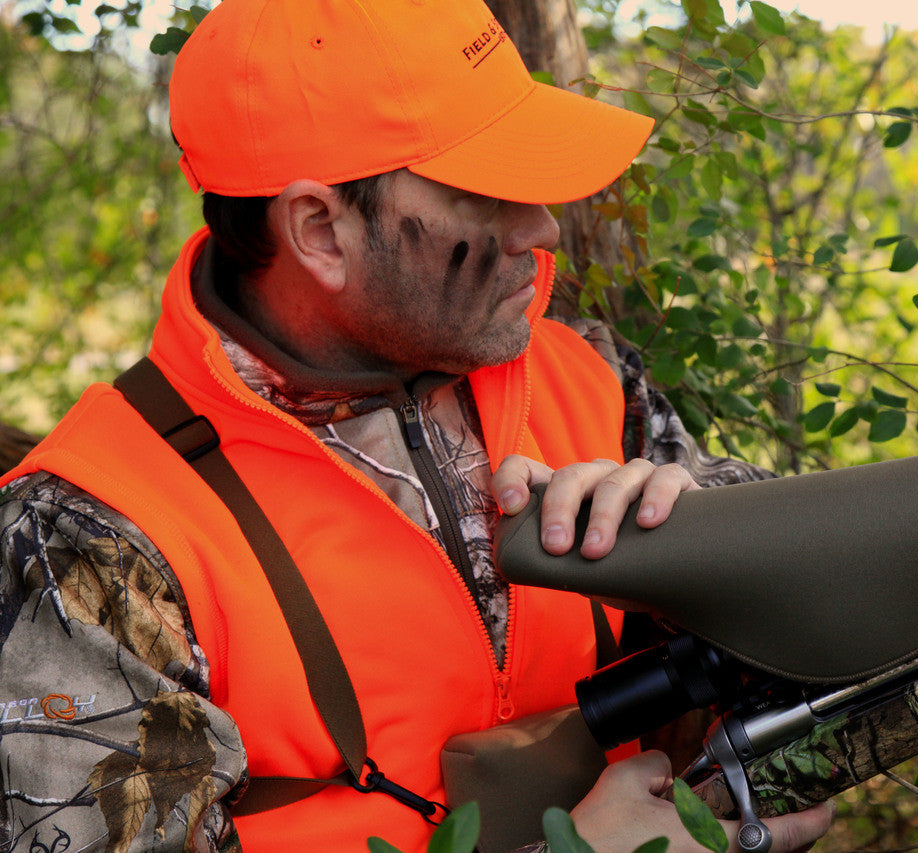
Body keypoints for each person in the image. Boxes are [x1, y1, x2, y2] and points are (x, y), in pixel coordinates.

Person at [0, 1, 834, 851]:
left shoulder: (585, 375)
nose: (542, 227)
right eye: (484, 192)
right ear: (320, 230)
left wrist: (694, 550)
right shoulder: (93, 538)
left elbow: (822, 619)